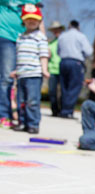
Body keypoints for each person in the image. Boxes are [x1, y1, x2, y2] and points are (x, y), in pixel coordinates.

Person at [0, 0, 41, 128]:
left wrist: (42, 39)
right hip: (5, 34)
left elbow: (39, 16)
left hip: (26, 36)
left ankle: (23, 117)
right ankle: (4, 115)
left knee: (24, 77)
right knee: (7, 77)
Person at [10, 4, 49, 134]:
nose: (31, 21)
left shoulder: (40, 37)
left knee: (32, 101)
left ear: (39, 21)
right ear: (23, 20)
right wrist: (16, 70)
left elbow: (43, 54)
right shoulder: (20, 37)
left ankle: (33, 124)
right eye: (28, 19)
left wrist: (44, 69)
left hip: (34, 74)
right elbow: (19, 55)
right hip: (22, 74)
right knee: (21, 101)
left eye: (35, 19)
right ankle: (23, 122)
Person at [57, 20, 92, 118]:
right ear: (78, 26)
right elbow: (88, 51)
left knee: (64, 87)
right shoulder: (81, 36)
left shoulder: (62, 36)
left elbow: (58, 51)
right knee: (74, 87)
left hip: (63, 62)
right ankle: (67, 111)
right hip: (76, 63)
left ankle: (63, 109)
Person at [47, 21, 64, 117]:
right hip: (52, 70)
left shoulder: (65, 40)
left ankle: (62, 110)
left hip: (62, 69)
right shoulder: (51, 43)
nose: (56, 31)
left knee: (63, 92)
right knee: (52, 91)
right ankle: (54, 110)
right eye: (54, 30)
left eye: (57, 29)